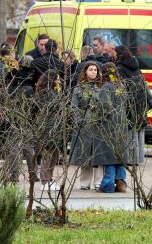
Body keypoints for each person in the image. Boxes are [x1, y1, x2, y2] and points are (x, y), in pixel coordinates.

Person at [96, 63, 132, 193]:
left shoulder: (106, 87)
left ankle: (107, 185)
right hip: (121, 124)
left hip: (109, 125)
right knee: (120, 156)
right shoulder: (121, 86)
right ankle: (121, 184)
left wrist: (98, 118)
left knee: (109, 156)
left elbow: (105, 107)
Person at [70, 61, 102, 191]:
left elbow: (104, 105)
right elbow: (74, 106)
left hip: (98, 124)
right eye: (91, 69)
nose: (94, 72)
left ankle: (98, 181)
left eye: (95, 70)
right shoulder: (79, 89)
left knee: (99, 154)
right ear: (85, 72)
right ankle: (85, 182)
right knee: (85, 153)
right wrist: (79, 120)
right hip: (84, 125)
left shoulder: (100, 88)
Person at [114, 45, 148, 167]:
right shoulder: (136, 65)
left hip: (130, 102)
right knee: (139, 130)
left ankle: (130, 159)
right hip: (140, 101)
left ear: (119, 54)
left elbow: (122, 87)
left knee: (130, 131)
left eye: (114, 52)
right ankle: (138, 159)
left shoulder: (121, 68)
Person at [32, 70, 65, 191]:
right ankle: (45, 180)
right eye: (56, 79)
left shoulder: (53, 92)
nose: (59, 81)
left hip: (56, 126)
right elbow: (51, 108)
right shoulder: (45, 93)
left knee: (54, 155)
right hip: (48, 127)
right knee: (48, 154)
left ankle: (49, 178)